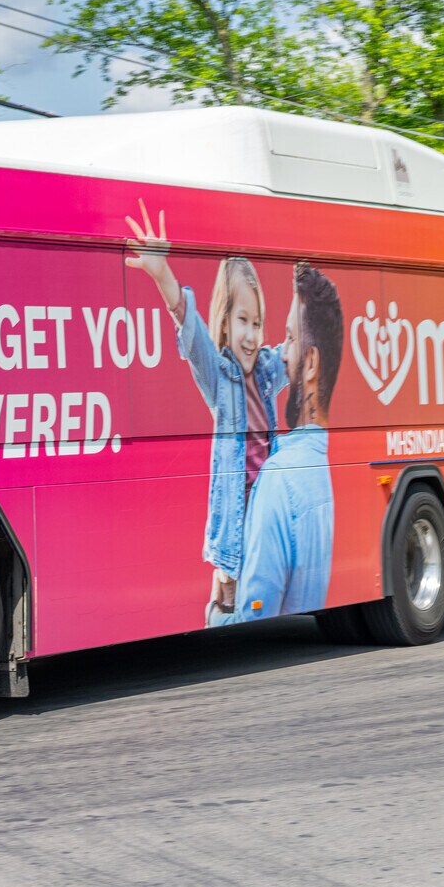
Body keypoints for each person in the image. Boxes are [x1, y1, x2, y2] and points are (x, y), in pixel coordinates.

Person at [123, 202, 287, 623]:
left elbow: (297, 349)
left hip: (266, 520)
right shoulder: (221, 377)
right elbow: (191, 333)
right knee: (231, 609)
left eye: (258, 322)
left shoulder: (266, 371)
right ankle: (220, 607)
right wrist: (164, 277)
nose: (251, 335)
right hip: (236, 527)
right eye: (242, 321)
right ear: (226, 323)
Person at [217, 261, 343, 625]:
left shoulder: (278, 480)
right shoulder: (319, 466)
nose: (281, 353)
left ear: (310, 364)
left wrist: (216, 610)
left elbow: (253, 618)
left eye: (289, 338)